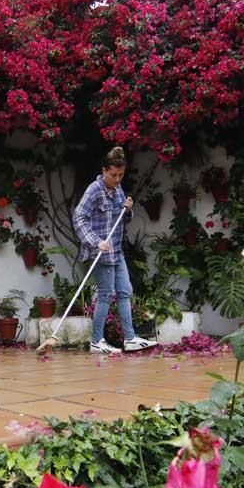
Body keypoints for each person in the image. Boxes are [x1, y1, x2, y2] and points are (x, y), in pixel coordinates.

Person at [73, 146, 157, 354]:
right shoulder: (94, 190)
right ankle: (96, 341)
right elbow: (79, 217)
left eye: (121, 175)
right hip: (100, 253)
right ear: (104, 171)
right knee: (105, 294)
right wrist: (95, 241)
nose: (117, 179)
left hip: (116, 252)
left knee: (125, 291)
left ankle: (130, 339)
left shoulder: (117, 189)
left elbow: (123, 219)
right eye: (113, 175)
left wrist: (128, 209)